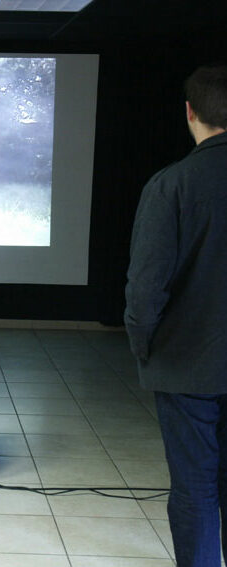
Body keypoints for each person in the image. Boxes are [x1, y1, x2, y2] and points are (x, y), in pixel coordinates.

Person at [125, 64, 227, 567]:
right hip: (194, 366)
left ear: (190, 113)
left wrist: (144, 345)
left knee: (195, 489)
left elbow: (145, 288)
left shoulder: (171, 185)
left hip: (188, 366)